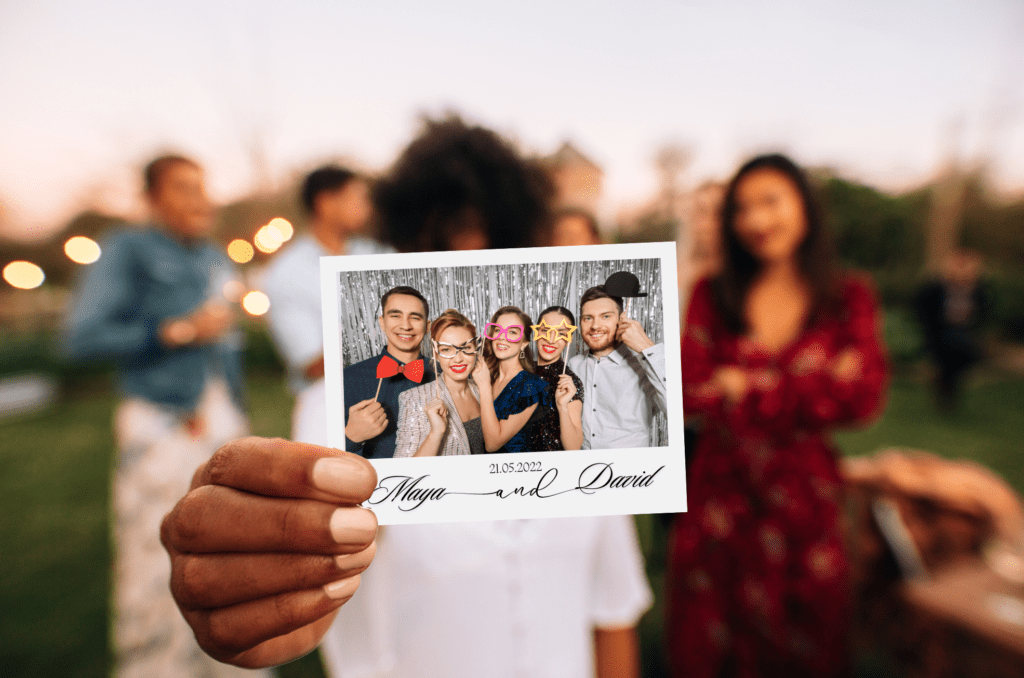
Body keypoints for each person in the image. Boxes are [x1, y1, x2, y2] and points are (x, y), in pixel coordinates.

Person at [160, 116, 651, 678]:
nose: (469, 256)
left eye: (496, 244)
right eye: (439, 246)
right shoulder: (339, 410)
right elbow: (306, 562)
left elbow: (613, 605)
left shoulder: (577, 401)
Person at [667, 154, 889, 678]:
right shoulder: (713, 293)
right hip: (721, 497)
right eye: (742, 208)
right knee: (711, 639)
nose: (756, 220)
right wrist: (812, 382)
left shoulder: (847, 296)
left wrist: (744, 384)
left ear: (805, 207)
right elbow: (688, 391)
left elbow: (862, 398)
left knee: (806, 641)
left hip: (805, 503)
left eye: (771, 201)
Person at [64, 155, 267, 678]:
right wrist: (173, 331)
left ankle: (237, 663)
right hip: (161, 424)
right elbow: (80, 337)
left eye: (203, 186)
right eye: (183, 188)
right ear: (151, 199)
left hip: (224, 423)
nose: (201, 199)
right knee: (159, 556)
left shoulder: (214, 256)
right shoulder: (126, 250)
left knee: (236, 551)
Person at [262, 164, 392, 445]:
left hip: (396, 397)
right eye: (357, 198)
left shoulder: (377, 253)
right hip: (329, 407)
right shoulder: (287, 272)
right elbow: (309, 362)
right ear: (325, 203)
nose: (366, 207)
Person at [341, 285, 436, 459]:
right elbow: (326, 459)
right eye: (395, 316)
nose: (406, 326)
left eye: (415, 317)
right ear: (382, 322)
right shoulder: (347, 379)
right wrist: (351, 437)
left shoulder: (448, 376)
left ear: (427, 326)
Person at [568, 285, 667, 449]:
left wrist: (646, 347)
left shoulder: (645, 364)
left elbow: (677, 411)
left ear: (622, 318)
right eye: (587, 318)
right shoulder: (573, 364)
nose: (595, 326)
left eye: (605, 316)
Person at [394, 309, 483, 457]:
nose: (458, 359)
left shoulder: (482, 390)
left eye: (466, 347)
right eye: (447, 349)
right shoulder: (413, 399)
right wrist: (436, 433)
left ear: (475, 349)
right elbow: (403, 473)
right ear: (436, 354)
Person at [915, 249, 990, 411]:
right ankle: (946, 385)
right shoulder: (935, 288)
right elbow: (922, 308)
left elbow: (984, 312)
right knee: (951, 353)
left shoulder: (977, 291)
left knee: (962, 356)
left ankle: (945, 382)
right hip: (940, 333)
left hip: (965, 333)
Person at [473, 306, 553, 453]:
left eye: (512, 332)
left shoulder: (530, 386)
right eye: (498, 330)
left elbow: (492, 444)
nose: (502, 337)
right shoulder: (486, 376)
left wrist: (484, 386)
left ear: (524, 344)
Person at [530, 305, 585, 451]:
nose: (551, 340)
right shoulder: (520, 371)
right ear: (537, 331)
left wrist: (562, 407)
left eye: (561, 333)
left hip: (550, 469)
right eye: (546, 331)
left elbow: (573, 447)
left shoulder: (568, 383)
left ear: (569, 339)